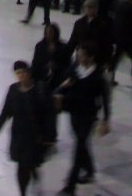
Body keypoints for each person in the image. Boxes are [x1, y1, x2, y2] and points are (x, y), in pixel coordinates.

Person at [54, 42, 111, 195]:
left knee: (79, 146)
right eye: (78, 55)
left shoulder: (98, 75)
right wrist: (59, 92)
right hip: (74, 112)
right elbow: (65, 84)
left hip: (89, 115)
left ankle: (70, 186)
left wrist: (105, 119)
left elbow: (105, 99)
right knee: (81, 143)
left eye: (82, 55)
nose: (79, 57)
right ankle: (90, 170)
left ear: (91, 57)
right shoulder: (74, 69)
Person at [0, 61, 52, 196]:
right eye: (18, 73)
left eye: (23, 72)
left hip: (34, 136)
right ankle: (23, 192)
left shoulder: (39, 90)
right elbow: (6, 112)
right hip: (19, 136)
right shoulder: (13, 90)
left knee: (28, 164)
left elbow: (48, 114)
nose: (21, 76)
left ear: (29, 72)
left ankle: (34, 173)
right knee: (22, 167)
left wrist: (49, 136)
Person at [65, 0, 112, 70]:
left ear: (96, 9)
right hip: (81, 56)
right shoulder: (79, 23)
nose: (88, 9)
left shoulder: (102, 25)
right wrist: (66, 54)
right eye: (87, 7)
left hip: (95, 57)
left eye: (91, 7)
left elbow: (106, 44)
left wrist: (107, 60)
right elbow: (73, 40)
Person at [111, 0, 132, 85]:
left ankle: (111, 77)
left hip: (118, 35)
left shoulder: (118, 5)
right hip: (127, 37)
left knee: (116, 57)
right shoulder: (130, 8)